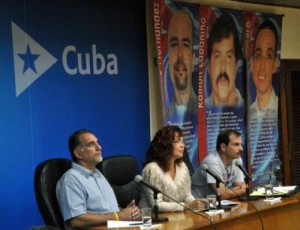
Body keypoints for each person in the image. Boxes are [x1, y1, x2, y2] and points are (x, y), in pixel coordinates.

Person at [56, 129, 140, 229]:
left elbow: (109, 209)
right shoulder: (71, 180)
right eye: (91, 144)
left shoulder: (98, 174)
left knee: (152, 226)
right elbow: (76, 220)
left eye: (98, 143)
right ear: (78, 154)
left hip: (115, 226)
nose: (99, 147)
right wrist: (118, 216)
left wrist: (128, 212)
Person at [139, 125, 207, 212]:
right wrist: (186, 206)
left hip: (177, 217)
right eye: (177, 141)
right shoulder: (151, 169)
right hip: (152, 220)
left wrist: (197, 203)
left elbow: (187, 196)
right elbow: (156, 204)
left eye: (182, 141)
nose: (182, 145)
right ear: (165, 144)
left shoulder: (182, 167)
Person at [191, 130, 246, 199]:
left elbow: (240, 185)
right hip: (199, 206)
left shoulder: (237, 160)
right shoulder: (212, 162)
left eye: (241, 144)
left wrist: (227, 191)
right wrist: (240, 191)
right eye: (236, 144)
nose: (241, 149)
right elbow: (222, 195)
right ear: (223, 147)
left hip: (219, 204)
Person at [205, 13, 244, 107]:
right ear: (209, 67)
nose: (223, 67)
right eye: (217, 56)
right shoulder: (200, 113)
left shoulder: (249, 112)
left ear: (236, 66)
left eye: (229, 56)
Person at [166, 10, 197, 119]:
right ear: (168, 58)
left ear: (193, 59)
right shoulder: (166, 116)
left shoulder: (203, 111)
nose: (180, 54)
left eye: (185, 45)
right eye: (174, 44)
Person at [250, 19, 279, 118]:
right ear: (252, 64)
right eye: (258, 56)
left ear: (275, 64)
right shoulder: (248, 114)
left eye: (269, 56)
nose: (262, 66)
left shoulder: (280, 111)